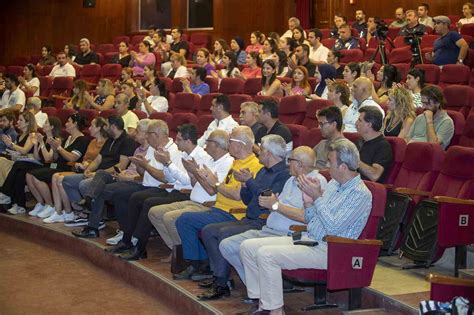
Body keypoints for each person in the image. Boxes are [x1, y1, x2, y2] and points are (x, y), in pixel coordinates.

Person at [238, 139, 372, 315]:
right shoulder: (333, 184)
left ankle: (275, 311)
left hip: (332, 250)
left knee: (266, 254)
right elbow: (311, 219)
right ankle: (262, 303)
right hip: (310, 239)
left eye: (330, 162)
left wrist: (317, 198)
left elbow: (333, 228)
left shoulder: (360, 194)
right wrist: (309, 204)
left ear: (343, 167)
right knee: (247, 247)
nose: (327, 166)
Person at [219, 146, 328, 296]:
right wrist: (272, 203)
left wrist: (275, 205)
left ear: (301, 164)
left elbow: (305, 217)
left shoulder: (315, 182)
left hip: (288, 234)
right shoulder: (291, 180)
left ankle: (263, 295)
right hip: (268, 229)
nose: (287, 163)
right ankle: (259, 290)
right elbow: (277, 205)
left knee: (247, 247)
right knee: (227, 245)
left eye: (291, 160)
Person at [194, 134, 291, 300]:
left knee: (224, 233)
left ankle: (222, 283)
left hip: (264, 220)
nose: (258, 152)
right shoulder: (262, 170)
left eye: (261, 150)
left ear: (269, 153)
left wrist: (250, 182)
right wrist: (246, 184)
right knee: (209, 231)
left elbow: (265, 198)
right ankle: (220, 278)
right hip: (250, 218)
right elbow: (248, 198)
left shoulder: (283, 174)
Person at [105, 124, 211, 260]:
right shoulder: (182, 154)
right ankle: (127, 240)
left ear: (188, 141)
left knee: (148, 202)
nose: (175, 141)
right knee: (136, 197)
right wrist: (165, 163)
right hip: (173, 189)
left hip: (185, 193)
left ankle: (140, 247)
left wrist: (167, 163)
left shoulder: (201, 156)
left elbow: (185, 181)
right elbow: (170, 177)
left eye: (179, 140)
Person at [173, 126, 263, 280]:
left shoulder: (253, 165)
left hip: (233, 213)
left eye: (231, 141)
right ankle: (199, 263)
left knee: (187, 220)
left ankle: (202, 265)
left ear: (240, 144)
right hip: (218, 209)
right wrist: (205, 177)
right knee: (185, 219)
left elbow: (236, 195)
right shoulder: (236, 162)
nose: (227, 144)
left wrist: (214, 183)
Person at [147, 130, 234, 259]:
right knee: (154, 212)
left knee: (170, 217)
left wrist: (195, 172)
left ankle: (183, 255)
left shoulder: (228, 163)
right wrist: (193, 173)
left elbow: (212, 191)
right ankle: (177, 250)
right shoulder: (209, 160)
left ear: (215, 144)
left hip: (206, 205)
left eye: (208, 141)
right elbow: (194, 185)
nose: (205, 144)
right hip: (192, 201)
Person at [71, 119, 153, 239]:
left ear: (146, 134)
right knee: (101, 174)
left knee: (100, 189)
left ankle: (93, 223)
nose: (135, 133)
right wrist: (122, 174)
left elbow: (144, 175)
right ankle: (89, 202)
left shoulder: (150, 151)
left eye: (138, 131)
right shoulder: (138, 149)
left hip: (134, 182)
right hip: (123, 177)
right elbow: (129, 168)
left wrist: (126, 176)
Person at [46, 117, 108, 226]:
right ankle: (60, 211)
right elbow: (86, 157)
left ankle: (75, 212)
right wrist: (83, 163)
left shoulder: (105, 143)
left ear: (99, 128)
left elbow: (100, 161)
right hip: (84, 169)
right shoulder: (92, 142)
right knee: (56, 177)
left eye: (92, 126)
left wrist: (87, 166)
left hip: (94, 172)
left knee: (60, 178)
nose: (89, 128)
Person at [26, 115, 90, 220]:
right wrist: (54, 148)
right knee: (30, 174)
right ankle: (44, 204)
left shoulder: (82, 139)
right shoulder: (68, 138)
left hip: (68, 168)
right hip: (57, 165)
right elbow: (55, 158)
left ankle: (52, 207)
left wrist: (59, 147)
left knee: (36, 175)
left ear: (75, 124)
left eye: (69, 122)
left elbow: (72, 158)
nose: (66, 124)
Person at [0, 117, 63, 215]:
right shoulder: (43, 138)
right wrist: (35, 145)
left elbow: (48, 159)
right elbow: (37, 157)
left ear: (51, 127)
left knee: (19, 165)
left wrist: (41, 143)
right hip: (39, 163)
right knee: (20, 171)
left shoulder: (56, 140)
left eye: (46, 123)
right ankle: (19, 205)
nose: (43, 125)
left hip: (48, 166)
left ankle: (6, 194)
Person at [405, 85, 454, 150]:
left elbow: (433, 146)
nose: (423, 107)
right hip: (411, 152)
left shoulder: (447, 122)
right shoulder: (420, 117)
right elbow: (407, 139)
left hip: (428, 156)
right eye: (422, 103)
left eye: (427, 103)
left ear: (438, 103)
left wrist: (429, 121)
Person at [355, 106, 393, 183]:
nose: (356, 123)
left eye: (360, 120)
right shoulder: (359, 141)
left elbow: (375, 175)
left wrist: (354, 161)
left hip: (368, 189)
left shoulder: (383, 146)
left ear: (369, 125)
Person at [0, 112, 36, 186]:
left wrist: (11, 144)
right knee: (1, 160)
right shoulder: (20, 135)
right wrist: (9, 145)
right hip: (19, 159)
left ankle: (7, 190)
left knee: (2, 161)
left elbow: (24, 150)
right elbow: (16, 149)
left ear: (27, 122)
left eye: (20, 120)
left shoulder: (32, 134)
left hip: (28, 161)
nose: (18, 122)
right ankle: (4, 188)